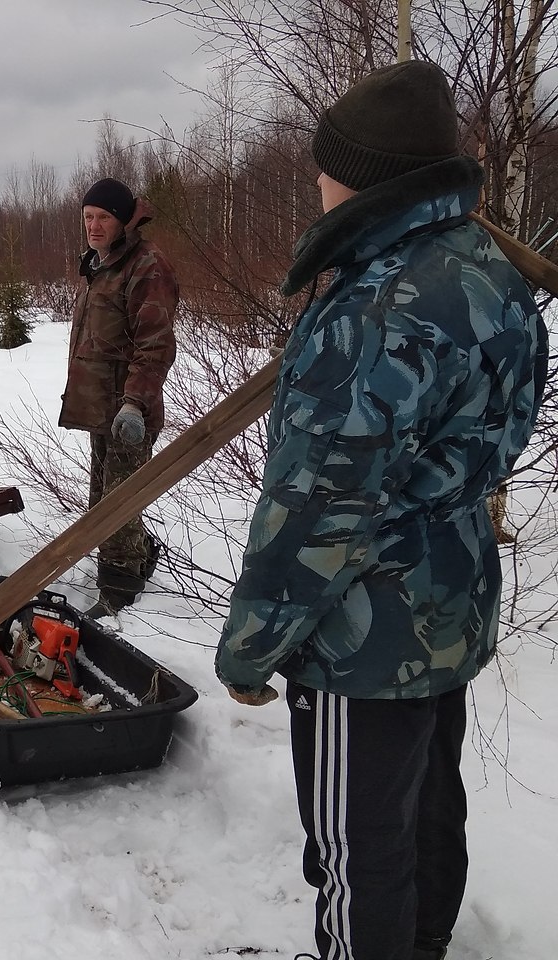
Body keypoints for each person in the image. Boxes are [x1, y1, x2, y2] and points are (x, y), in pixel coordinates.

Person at [214, 61, 547, 960]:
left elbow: (318, 504)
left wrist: (256, 641)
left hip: (363, 632)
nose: (316, 182)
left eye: (327, 166)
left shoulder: (376, 306)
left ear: (362, 176)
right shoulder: (487, 271)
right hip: (450, 596)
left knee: (358, 847)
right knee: (427, 809)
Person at [59, 177, 178, 616]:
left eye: (103, 217)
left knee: (118, 505)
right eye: (88, 217)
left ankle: (119, 590)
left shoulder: (146, 265)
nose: (93, 225)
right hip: (100, 406)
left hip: (129, 410)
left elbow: (155, 344)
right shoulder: (98, 263)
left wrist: (135, 403)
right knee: (103, 500)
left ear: (123, 220)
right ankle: (141, 552)